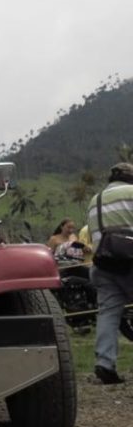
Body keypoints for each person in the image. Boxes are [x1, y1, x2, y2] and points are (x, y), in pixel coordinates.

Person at [86, 162, 133, 385]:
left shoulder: (95, 199)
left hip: (103, 264)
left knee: (108, 313)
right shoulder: (131, 192)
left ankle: (105, 363)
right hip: (130, 260)